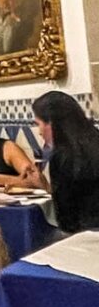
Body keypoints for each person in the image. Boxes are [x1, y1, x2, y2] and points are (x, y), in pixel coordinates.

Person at [32, 91, 99, 233]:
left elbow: (65, 216)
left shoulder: (62, 156)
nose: (39, 132)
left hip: (83, 235)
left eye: (39, 124)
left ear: (51, 123)